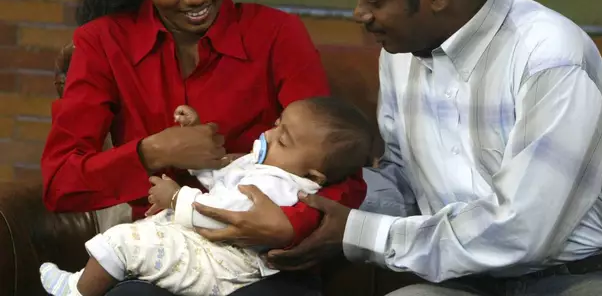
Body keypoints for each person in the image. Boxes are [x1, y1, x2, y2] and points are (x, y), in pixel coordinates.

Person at [195, 0, 602, 295]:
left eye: (373, 0)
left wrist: (354, 231)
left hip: (574, 280)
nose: (360, 15)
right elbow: (404, 185)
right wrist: (293, 195)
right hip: (458, 284)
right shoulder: (401, 50)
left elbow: (523, 230)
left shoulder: (549, 57)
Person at [39, 0, 366, 295]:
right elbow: (61, 182)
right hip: (158, 257)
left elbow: (340, 174)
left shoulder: (279, 36)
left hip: (261, 263)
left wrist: (289, 225)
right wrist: (152, 152)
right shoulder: (102, 45)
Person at [40, 97, 371, 296]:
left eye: (284, 140)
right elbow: (223, 180)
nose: (269, 135)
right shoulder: (271, 166)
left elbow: (222, 213)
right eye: (276, 124)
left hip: (226, 264)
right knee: (147, 237)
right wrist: (199, 152)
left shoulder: (283, 187)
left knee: (123, 241)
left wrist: (176, 199)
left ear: (314, 176)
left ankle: (77, 291)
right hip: (211, 247)